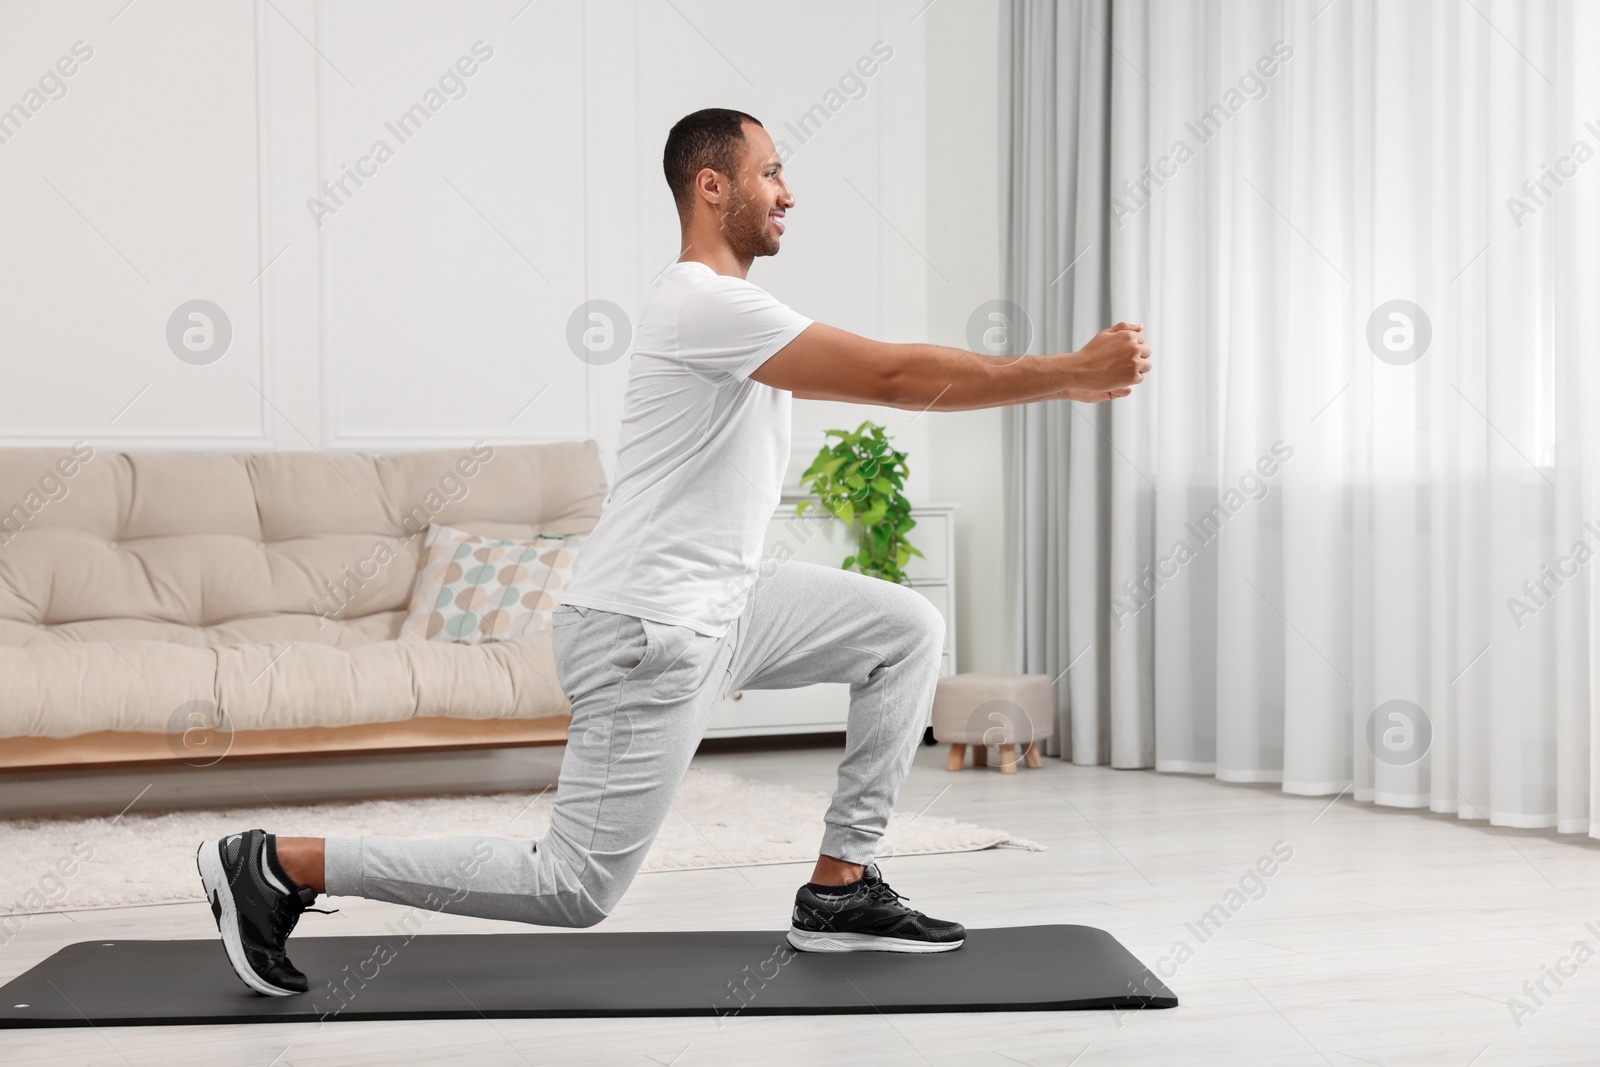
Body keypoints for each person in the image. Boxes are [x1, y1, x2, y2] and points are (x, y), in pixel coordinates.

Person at [196, 107, 1151, 996]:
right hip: (646, 627)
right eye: (771, 172)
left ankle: (840, 884)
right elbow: (896, 376)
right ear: (711, 187)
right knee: (573, 886)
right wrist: (1067, 374)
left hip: (727, 603)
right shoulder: (707, 307)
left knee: (904, 628)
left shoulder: (734, 312)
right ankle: (278, 862)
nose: (788, 192)